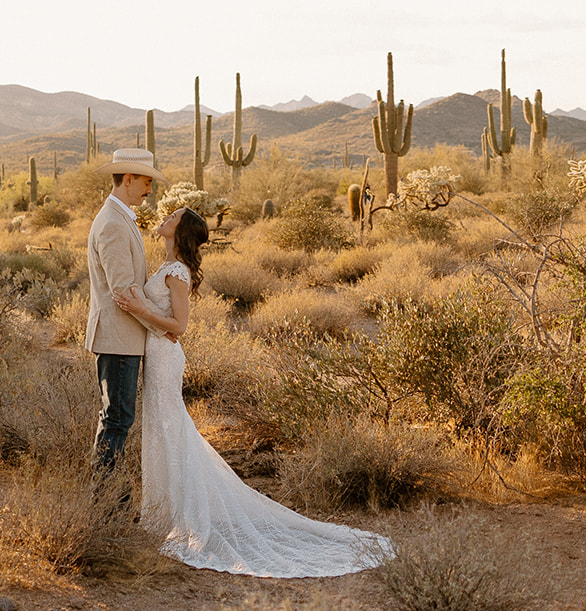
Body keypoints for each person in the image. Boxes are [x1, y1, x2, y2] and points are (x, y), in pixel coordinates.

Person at [115, 207, 394, 577]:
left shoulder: (178, 272)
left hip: (166, 357)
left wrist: (138, 307)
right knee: (162, 431)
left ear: (181, 231)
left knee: (170, 430)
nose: (166, 216)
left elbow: (179, 326)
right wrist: (141, 307)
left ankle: (183, 517)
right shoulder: (167, 266)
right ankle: (165, 513)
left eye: (174, 215)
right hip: (157, 353)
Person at [85, 148, 166, 473]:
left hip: (123, 337)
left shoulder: (118, 218)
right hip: (118, 337)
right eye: (147, 182)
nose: (150, 189)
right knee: (117, 419)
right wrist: (163, 325)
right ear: (128, 179)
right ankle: (103, 504)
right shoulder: (113, 224)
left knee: (117, 418)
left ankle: (110, 500)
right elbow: (124, 291)